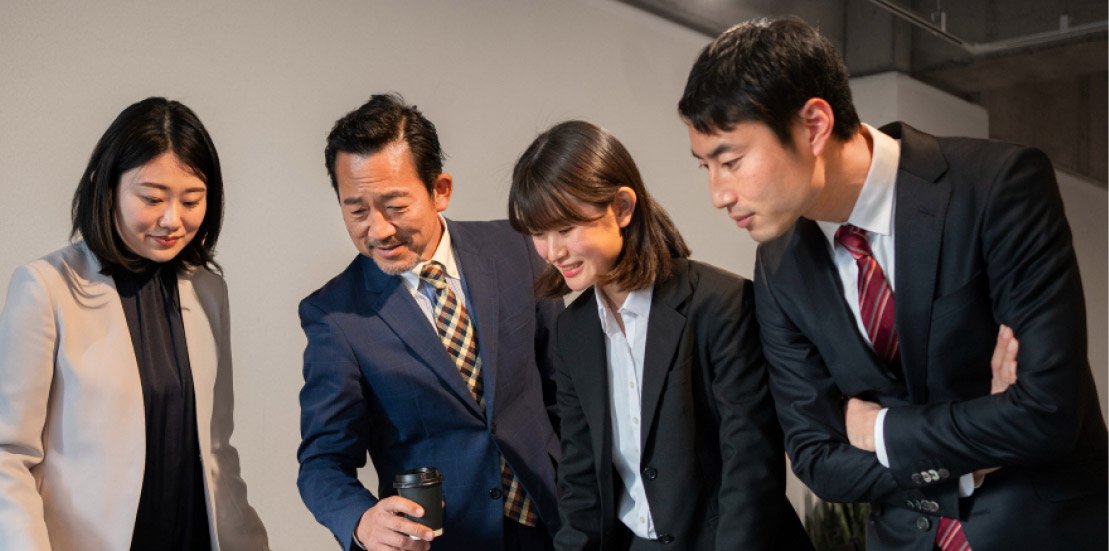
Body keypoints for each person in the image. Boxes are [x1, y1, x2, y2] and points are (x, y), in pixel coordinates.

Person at [679, 16, 1108, 551]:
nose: (718, 194)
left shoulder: (998, 187)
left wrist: (879, 429)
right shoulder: (778, 266)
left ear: (813, 125)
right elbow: (817, 460)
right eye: (705, 168)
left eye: (731, 161)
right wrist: (978, 450)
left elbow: (1046, 413)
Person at [508, 120, 811, 550]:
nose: (553, 251)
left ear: (622, 208)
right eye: (539, 233)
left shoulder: (723, 305)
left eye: (566, 227)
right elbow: (580, 482)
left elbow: (750, 472)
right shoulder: (572, 331)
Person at [296, 93, 563, 551]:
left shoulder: (518, 248)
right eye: (357, 211)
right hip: (440, 541)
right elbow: (322, 462)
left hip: (557, 527)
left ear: (440, 190)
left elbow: (567, 393)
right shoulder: (335, 315)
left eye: (395, 206)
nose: (378, 229)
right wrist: (361, 521)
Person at [0, 97, 269, 550]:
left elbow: (217, 448)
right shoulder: (45, 288)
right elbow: (8, 454)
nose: (173, 219)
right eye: (152, 198)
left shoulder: (207, 289)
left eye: (191, 200)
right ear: (108, 189)